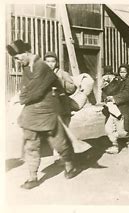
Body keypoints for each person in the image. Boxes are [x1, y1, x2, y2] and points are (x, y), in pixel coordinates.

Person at [6, 40, 81, 189]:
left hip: (48, 112)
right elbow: (25, 88)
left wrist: (22, 98)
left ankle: (70, 166)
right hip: (31, 112)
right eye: (15, 58)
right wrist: (24, 96)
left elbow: (35, 91)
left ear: (26, 53)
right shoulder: (27, 67)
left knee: (59, 142)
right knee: (30, 144)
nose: (17, 60)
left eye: (18, 56)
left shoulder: (41, 67)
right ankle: (32, 177)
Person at [102, 64, 129, 153]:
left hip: (125, 107)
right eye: (121, 72)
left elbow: (127, 94)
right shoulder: (116, 80)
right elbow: (108, 90)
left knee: (123, 129)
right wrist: (105, 89)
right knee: (109, 128)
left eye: (124, 72)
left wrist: (113, 98)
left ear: (127, 72)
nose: (122, 74)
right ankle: (115, 145)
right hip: (113, 108)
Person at [44, 51, 76, 125]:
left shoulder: (62, 73)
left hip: (62, 106)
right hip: (48, 106)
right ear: (45, 62)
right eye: (48, 61)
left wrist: (59, 82)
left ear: (56, 63)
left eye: (53, 61)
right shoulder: (43, 74)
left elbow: (72, 88)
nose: (50, 64)